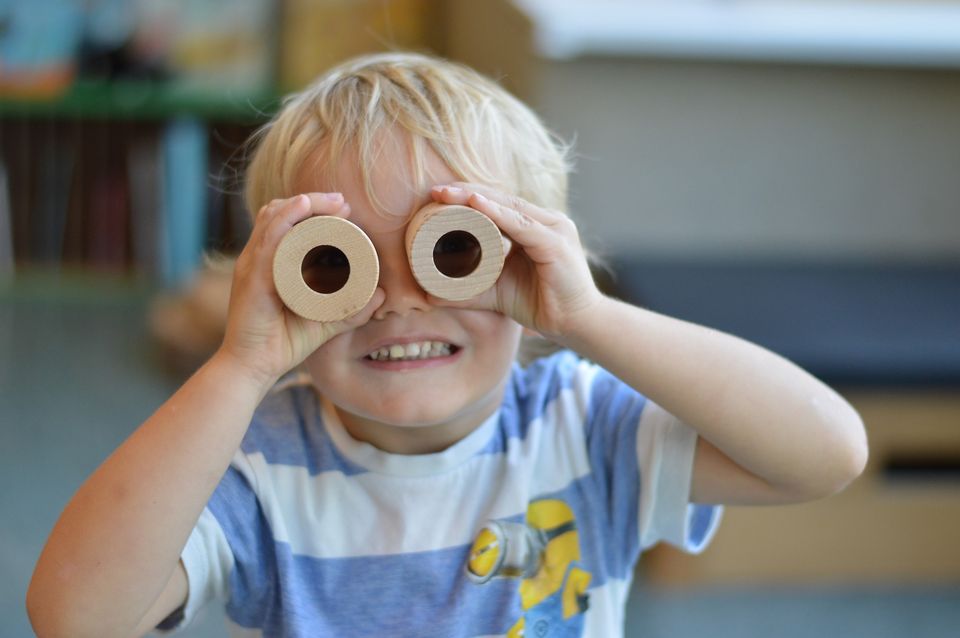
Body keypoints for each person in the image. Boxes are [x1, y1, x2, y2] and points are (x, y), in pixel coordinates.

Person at [26, 52, 868, 638]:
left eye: (453, 252)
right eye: (339, 262)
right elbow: (75, 616)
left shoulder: (583, 427)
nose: (397, 299)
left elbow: (825, 453)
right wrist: (239, 367)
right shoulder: (254, 467)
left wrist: (589, 317)